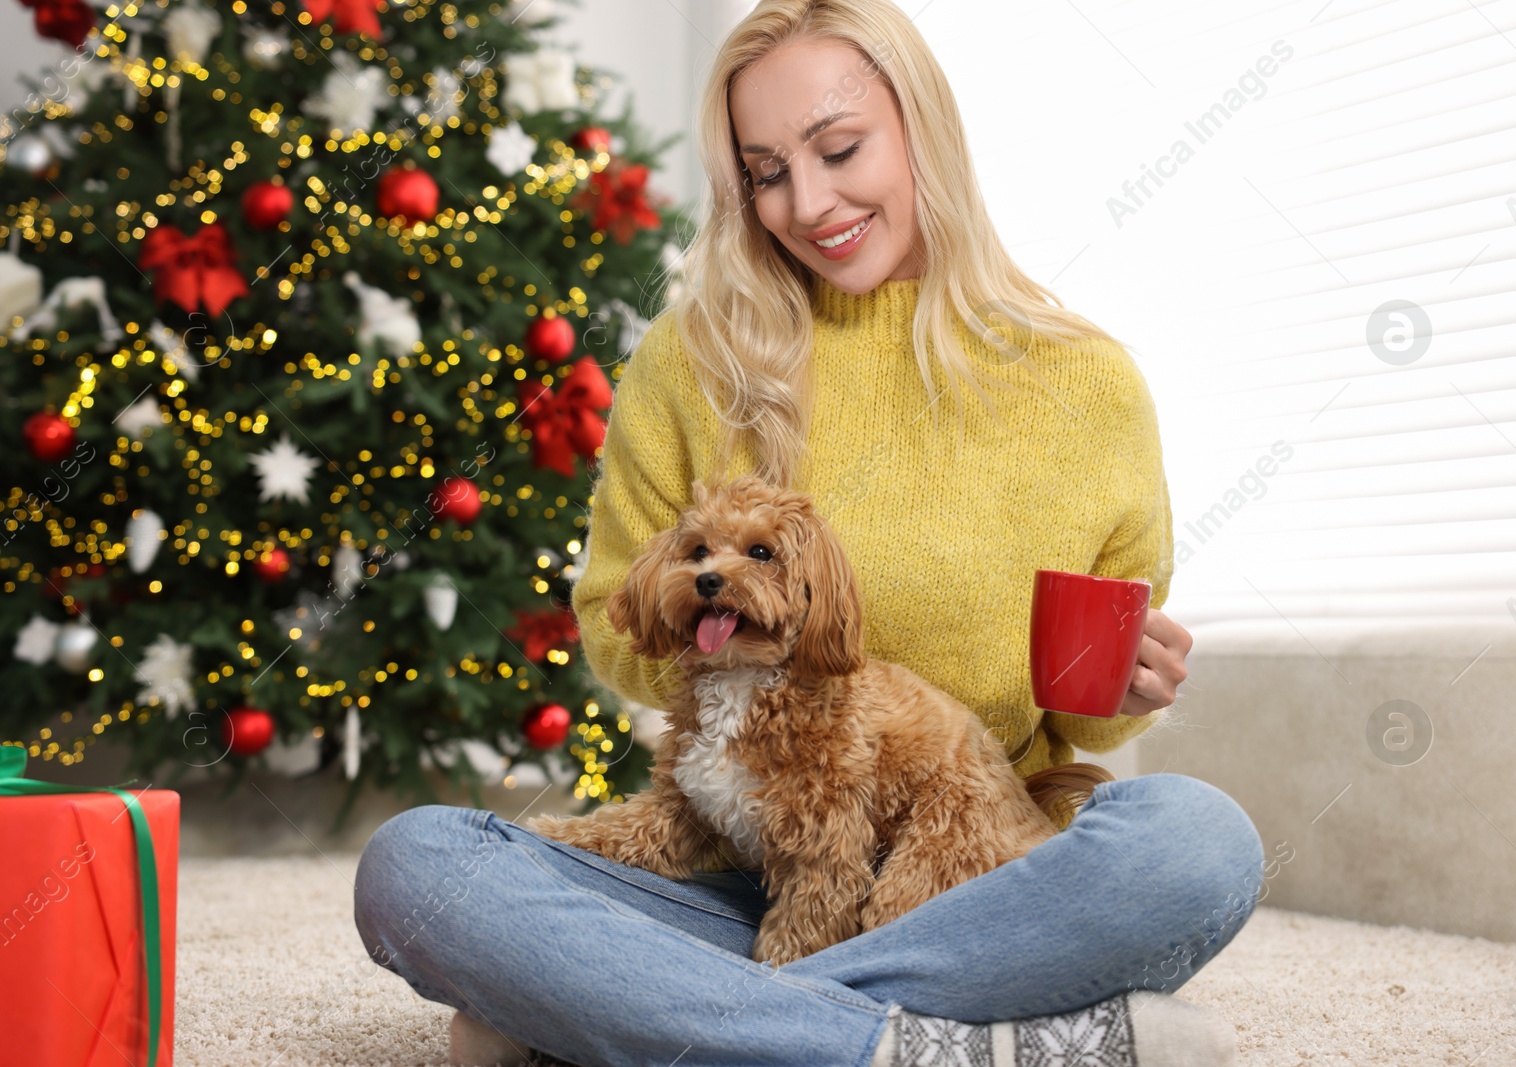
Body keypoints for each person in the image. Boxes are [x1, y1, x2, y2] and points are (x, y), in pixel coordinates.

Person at [352, 2, 1266, 1065]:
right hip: (735, 866)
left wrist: (1117, 691)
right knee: (417, 864)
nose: (809, 202)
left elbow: (1083, 708)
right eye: (766, 172)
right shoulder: (692, 362)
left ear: (923, 127)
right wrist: (728, 641)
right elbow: (613, 619)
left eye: (839, 149)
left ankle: (662, 1017)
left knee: (1197, 843)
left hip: (977, 884)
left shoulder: (1087, 384)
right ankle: (928, 1040)